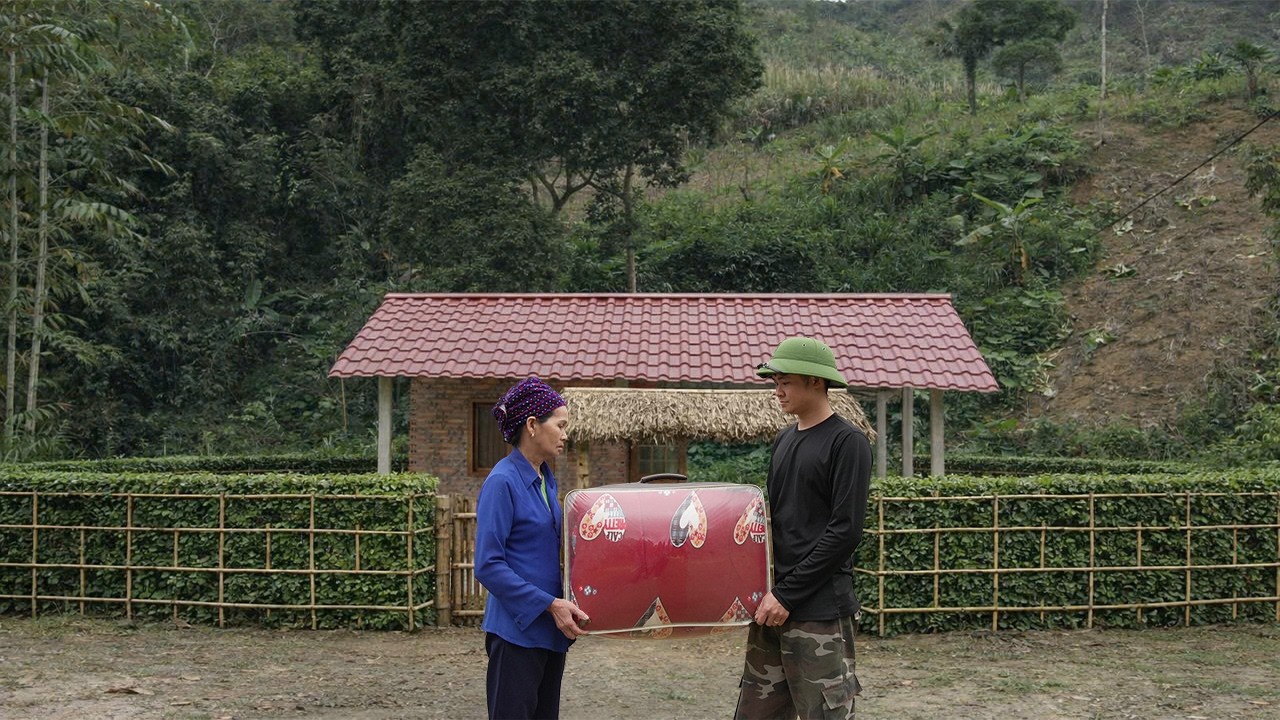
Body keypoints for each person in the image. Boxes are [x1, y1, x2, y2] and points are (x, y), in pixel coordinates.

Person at [734, 337, 873, 720]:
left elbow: (844, 532)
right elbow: (775, 523)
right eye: (775, 382)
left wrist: (787, 595)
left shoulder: (848, 442)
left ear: (816, 381)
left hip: (819, 611)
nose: (777, 391)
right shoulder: (784, 440)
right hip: (772, 607)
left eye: (786, 382)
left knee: (825, 714)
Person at [474, 376, 590, 720]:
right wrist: (549, 604)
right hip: (516, 633)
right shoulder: (502, 482)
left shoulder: (545, 479)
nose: (565, 435)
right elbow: (488, 565)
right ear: (532, 425)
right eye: (560, 425)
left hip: (549, 631)